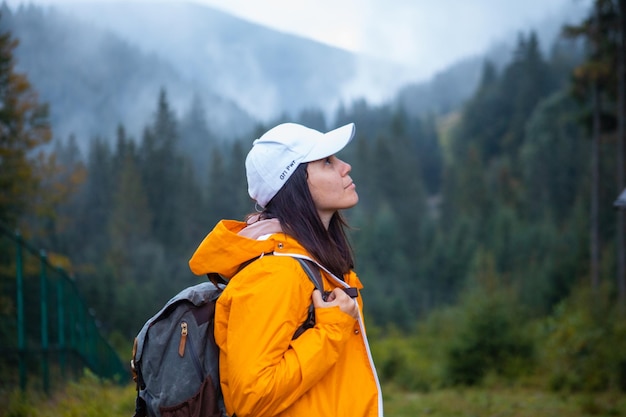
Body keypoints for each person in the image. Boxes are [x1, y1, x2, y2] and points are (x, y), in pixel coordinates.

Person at [188, 122, 383, 417]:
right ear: (294, 183)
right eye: (327, 162)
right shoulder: (275, 274)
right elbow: (252, 396)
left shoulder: (312, 263)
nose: (345, 166)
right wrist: (330, 331)